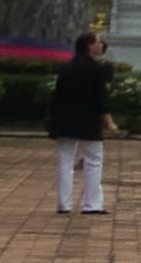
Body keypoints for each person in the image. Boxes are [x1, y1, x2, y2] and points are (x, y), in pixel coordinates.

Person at [44, 33, 117, 216]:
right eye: (98, 42)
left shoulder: (66, 68)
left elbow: (57, 96)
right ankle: (92, 204)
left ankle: (63, 204)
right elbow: (101, 99)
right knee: (93, 161)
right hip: (88, 120)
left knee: (65, 161)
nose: (101, 45)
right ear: (90, 46)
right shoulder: (97, 69)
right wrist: (109, 122)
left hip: (65, 119)